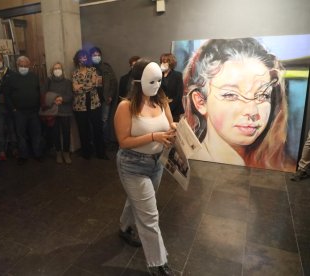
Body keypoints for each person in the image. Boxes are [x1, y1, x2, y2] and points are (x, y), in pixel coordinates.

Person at [182, 38, 294, 171]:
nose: (252, 112)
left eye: (263, 95)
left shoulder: (279, 163)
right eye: (230, 95)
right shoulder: (194, 163)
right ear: (200, 102)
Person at [114, 58, 176, 276]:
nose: (157, 85)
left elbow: (169, 126)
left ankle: (124, 228)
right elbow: (123, 141)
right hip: (132, 164)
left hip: (156, 163)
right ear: (139, 81)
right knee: (150, 216)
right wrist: (153, 136)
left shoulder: (162, 102)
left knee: (139, 201)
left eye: (159, 80)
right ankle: (158, 263)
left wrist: (177, 130)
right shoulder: (125, 107)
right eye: (153, 80)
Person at [4, 56, 42, 164]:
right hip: (19, 112)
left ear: (29, 66)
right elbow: (7, 95)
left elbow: (39, 92)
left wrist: (38, 106)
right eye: (21, 65)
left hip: (33, 111)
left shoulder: (34, 77)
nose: (23, 67)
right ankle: (23, 155)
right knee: (21, 135)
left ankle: (37, 154)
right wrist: (13, 109)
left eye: (25, 66)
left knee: (36, 134)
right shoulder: (11, 78)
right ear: (17, 66)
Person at [72, 49, 108, 160]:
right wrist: (89, 85)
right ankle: (86, 153)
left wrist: (82, 86)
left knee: (98, 129)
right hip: (79, 105)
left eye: (85, 57)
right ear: (77, 59)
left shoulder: (93, 70)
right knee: (83, 130)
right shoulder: (74, 73)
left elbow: (97, 84)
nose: (83, 59)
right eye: (81, 57)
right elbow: (75, 89)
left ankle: (100, 153)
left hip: (94, 104)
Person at [44, 62, 73, 164]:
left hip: (66, 111)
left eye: (59, 68)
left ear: (62, 70)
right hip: (53, 111)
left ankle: (66, 153)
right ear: (52, 71)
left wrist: (62, 98)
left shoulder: (68, 82)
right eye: (55, 68)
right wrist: (53, 100)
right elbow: (45, 94)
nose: (57, 70)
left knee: (66, 133)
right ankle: (58, 153)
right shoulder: (49, 82)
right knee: (55, 133)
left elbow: (70, 95)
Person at [89, 47, 118, 143]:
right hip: (93, 100)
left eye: (98, 55)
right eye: (94, 55)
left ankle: (104, 142)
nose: (96, 57)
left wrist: (110, 95)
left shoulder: (106, 67)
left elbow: (113, 82)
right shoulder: (88, 68)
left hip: (105, 99)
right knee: (93, 122)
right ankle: (95, 142)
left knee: (104, 121)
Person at [160, 53, 184, 122]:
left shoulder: (177, 75)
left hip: (174, 109)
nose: (162, 64)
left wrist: (169, 108)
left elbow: (179, 95)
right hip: (160, 109)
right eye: (161, 62)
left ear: (170, 63)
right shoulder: (158, 75)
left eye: (164, 62)